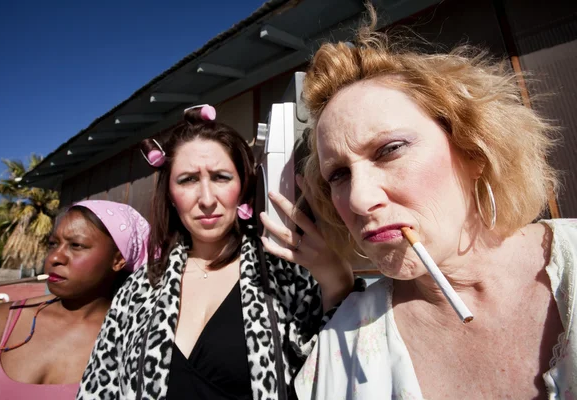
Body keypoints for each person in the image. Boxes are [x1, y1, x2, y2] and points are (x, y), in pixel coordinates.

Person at [293, 7, 577, 400]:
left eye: (389, 149)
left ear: (474, 149)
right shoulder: (338, 357)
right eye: (338, 174)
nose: (358, 199)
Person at [77, 104, 360, 400]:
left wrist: (338, 281)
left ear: (243, 185)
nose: (207, 199)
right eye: (187, 180)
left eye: (221, 177)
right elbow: (100, 386)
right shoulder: (137, 289)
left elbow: (336, 372)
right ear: (171, 195)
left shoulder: (284, 272)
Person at [0, 200, 150, 400]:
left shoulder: (132, 341)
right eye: (53, 244)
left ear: (118, 260)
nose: (54, 258)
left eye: (76, 245)